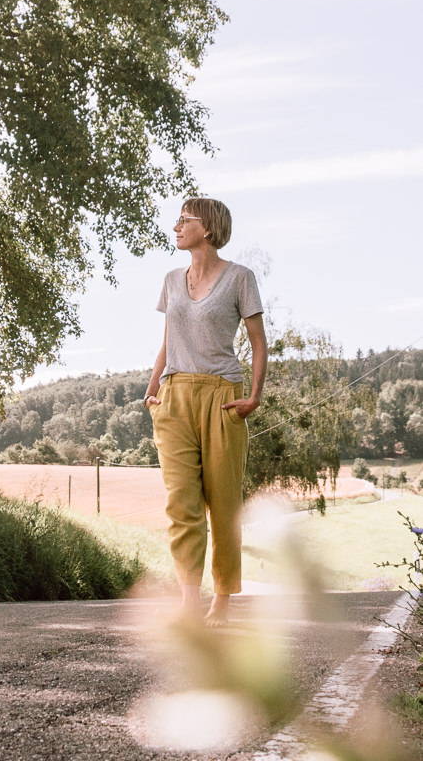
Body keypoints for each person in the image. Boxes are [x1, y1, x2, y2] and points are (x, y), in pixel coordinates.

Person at [144, 197, 267, 625]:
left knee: (223, 503)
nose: (176, 226)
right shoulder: (172, 280)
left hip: (222, 397)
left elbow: (257, 342)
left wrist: (253, 397)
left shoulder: (239, 277)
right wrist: (151, 390)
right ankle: (187, 599)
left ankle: (223, 597)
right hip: (173, 397)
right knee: (182, 503)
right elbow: (167, 340)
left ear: (208, 229)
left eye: (184, 220)